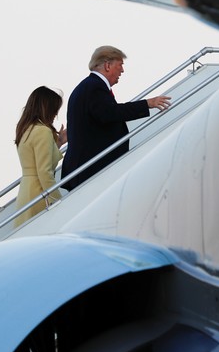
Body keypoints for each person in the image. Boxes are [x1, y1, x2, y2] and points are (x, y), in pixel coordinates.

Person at [62, 46, 171, 191]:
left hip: (86, 169)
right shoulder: (95, 87)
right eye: (120, 65)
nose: (122, 70)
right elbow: (110, 113)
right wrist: (147, 104)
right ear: (108, 65)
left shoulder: (88, 86)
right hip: (91, 170)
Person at [14, 86, 67, 226]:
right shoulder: (43, 131)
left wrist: (59, 142)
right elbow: (44, 172)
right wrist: (58, 200)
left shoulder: (25, 129)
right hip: (38, 193)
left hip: (26, 191)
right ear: (47, 108)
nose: (55, 114)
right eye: (55, 109)